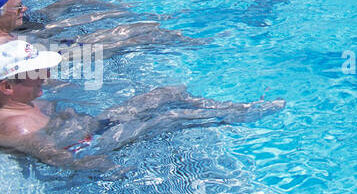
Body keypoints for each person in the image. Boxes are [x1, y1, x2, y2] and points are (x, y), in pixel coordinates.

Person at [0, 40, 283, 171]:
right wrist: (109, 168)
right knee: (173, 116)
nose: (45, 77)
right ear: (8, 86)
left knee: (166, 92)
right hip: (95, 142)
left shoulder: (26, 101)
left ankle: (236, 106)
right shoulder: (17, 126)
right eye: (35, 74)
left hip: (97, 125)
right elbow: (59, 158)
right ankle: (239, 116)